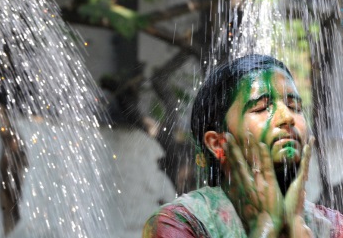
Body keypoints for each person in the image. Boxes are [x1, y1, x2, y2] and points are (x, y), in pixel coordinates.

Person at [143, 54, 343, 237]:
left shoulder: (333, 226)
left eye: (295, 107)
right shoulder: (179, 223)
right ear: (217, 143)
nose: (288, 117)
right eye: (261, 108)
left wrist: (296, 228)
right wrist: (265, 226)